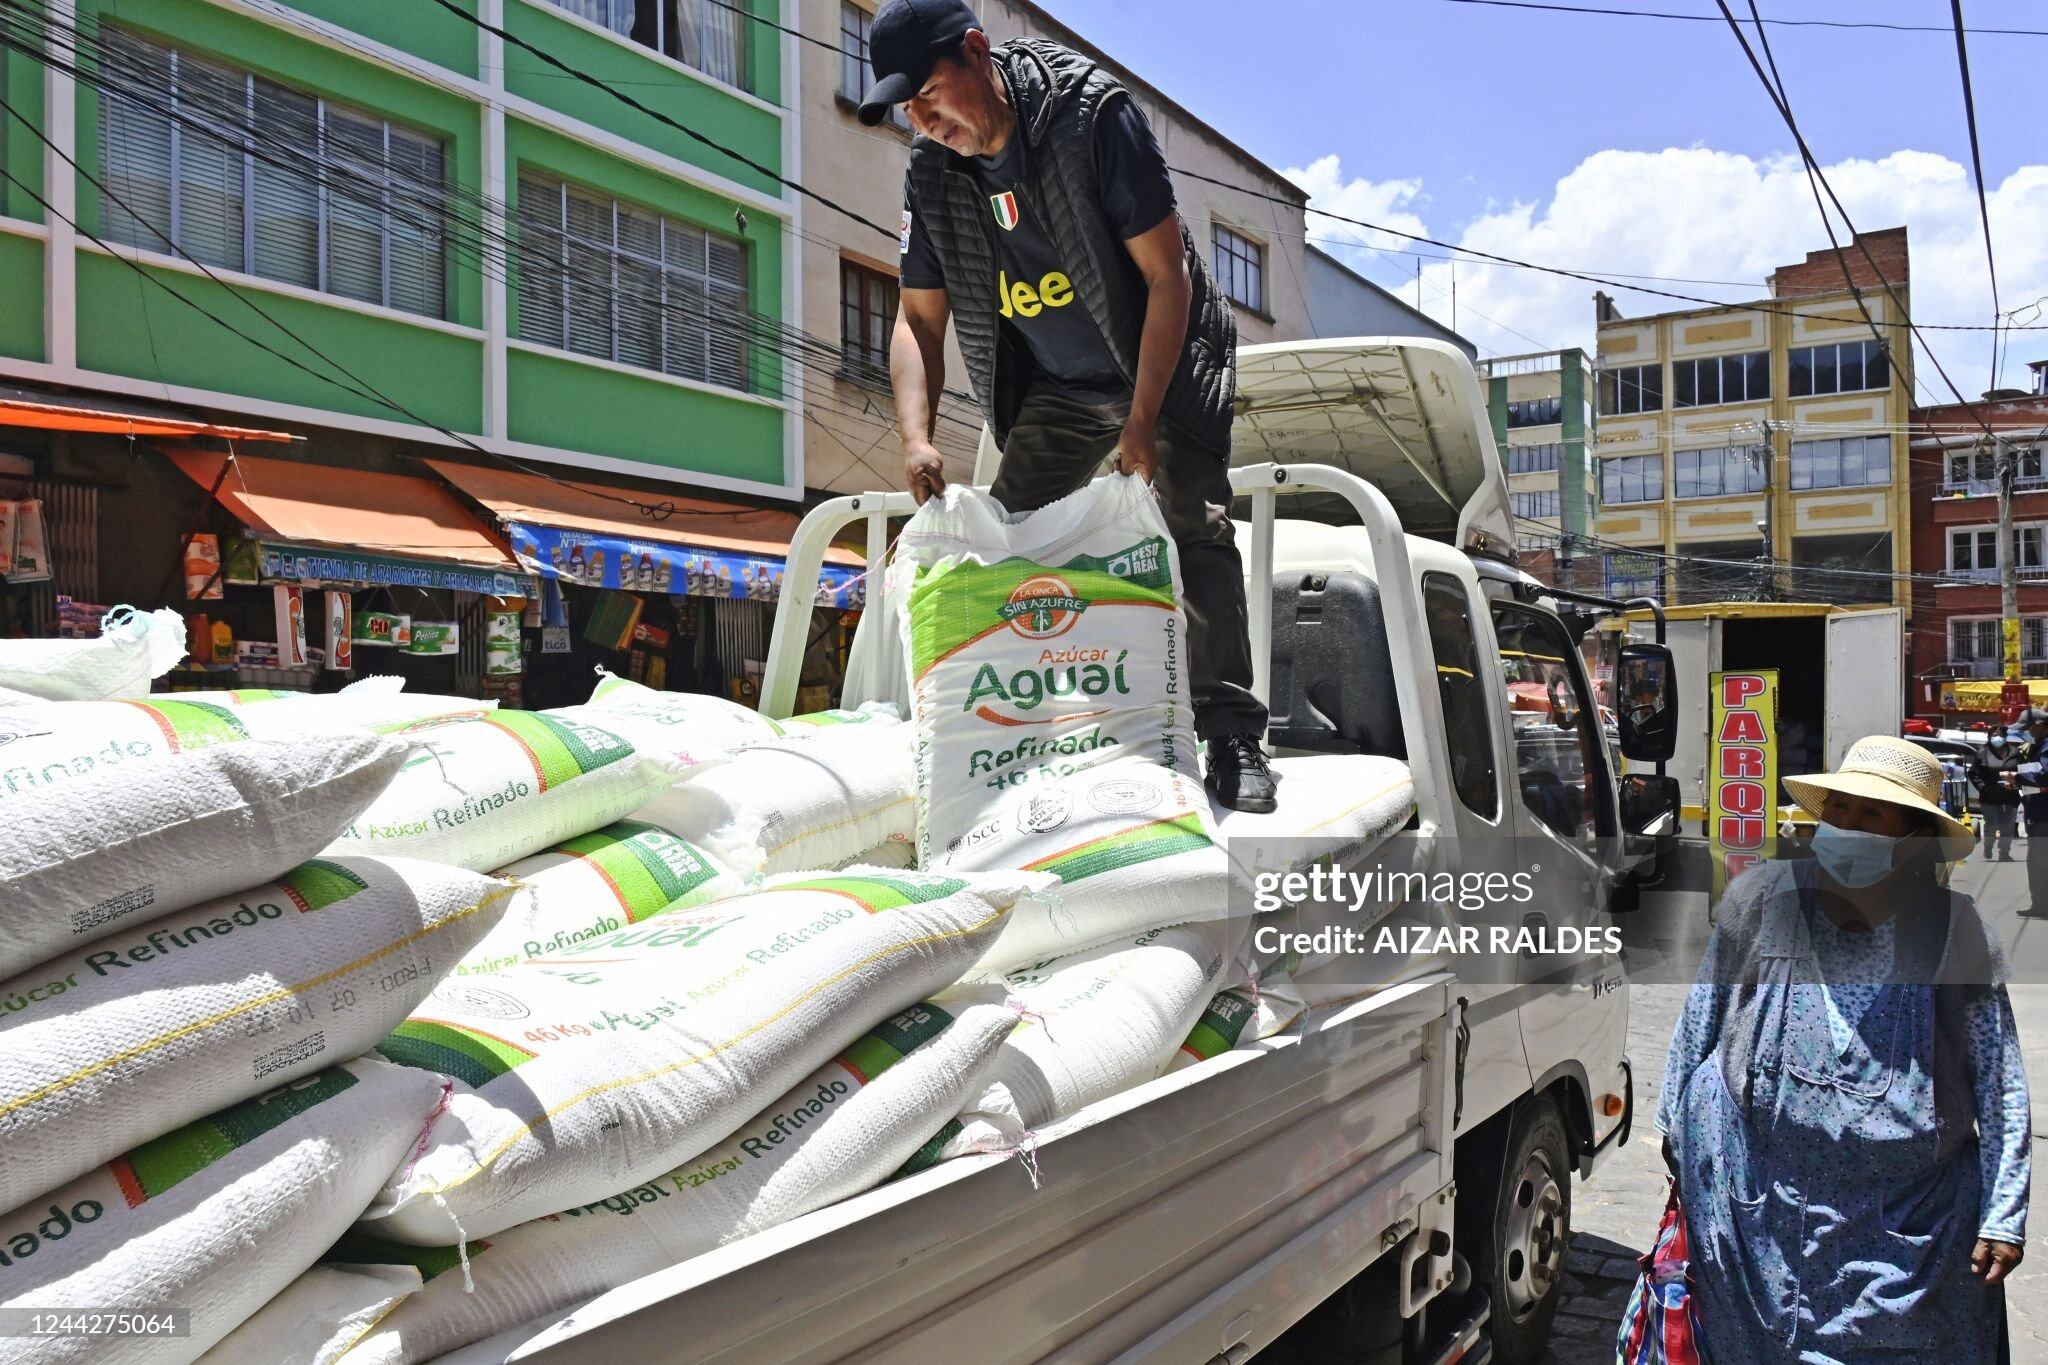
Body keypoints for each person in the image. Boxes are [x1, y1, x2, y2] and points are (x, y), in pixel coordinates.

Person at [861, 0, 1276, 813]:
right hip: (1057, 381)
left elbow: (1168, 279)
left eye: (931, 96)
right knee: (1010, 539)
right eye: (908, 109)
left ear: (977, 53)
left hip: (1162, 353)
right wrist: (915, 436)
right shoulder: (933, 173)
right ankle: (1037, 729)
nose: (924, 120)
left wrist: (1144, 421)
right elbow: (918, 317)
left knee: (1190, 520)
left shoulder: (1090, 116)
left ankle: (1230, 730)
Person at [1658, 735, 2028, 1361]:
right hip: (1758, 1214)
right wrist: (1678, 1140)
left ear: (1911, 840)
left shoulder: (1956, 932)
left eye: (1871, 816)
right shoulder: (1762, 901)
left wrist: (2003, 1213)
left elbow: (1998, 1084)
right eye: (1838, 811)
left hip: (1905, 1230)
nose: (1846, 827)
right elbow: (1702, 1020)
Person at [1969, 733, 2021, 861]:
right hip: (1990, 797)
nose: (1998, 739)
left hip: (2010, 795)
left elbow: (2023, 770)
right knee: (1992, 824)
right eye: (1995, 736)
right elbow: (1973, 773)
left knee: (2008, 825)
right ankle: (1988, 846)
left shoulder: (2015, 753)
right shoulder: (1982, 753)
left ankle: (2004, 853)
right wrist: (1983, 787)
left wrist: (2017, 783)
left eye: (2000, 735)